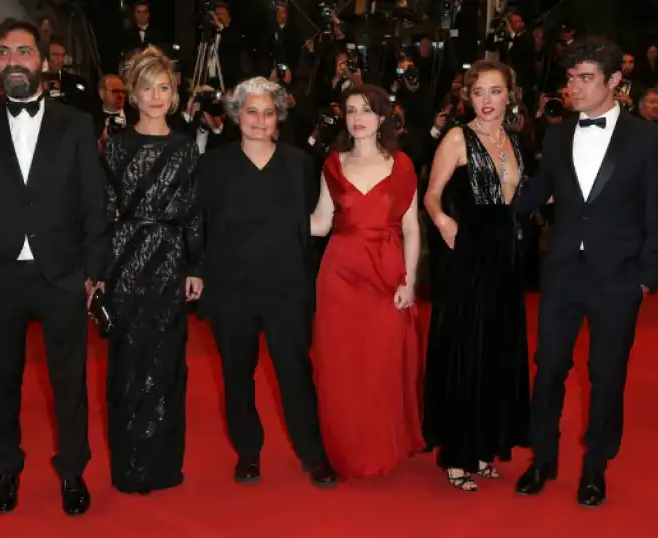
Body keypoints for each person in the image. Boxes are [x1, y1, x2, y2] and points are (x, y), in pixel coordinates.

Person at [0, 18, 109, 515]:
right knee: (0, 382)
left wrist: (93, 269)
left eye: (23, 51)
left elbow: (94, 202)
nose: (13, 60)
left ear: (42, 60)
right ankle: (7, 468)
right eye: (3, 52)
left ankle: (73, 472)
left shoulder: (78, 124)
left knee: (70, 383)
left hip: (62, 273)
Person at [513, 36, 658, 507]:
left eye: (586, 78)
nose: (575, 87)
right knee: (548, 369)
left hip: (618, 276)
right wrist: (483, 200)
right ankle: (542, 458)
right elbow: (533, 195)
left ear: (614, 81)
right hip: (563, 272)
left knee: (606, 374)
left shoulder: (646, 138)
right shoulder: (559, 134)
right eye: (571, 77)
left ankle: (596, 467)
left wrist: (646, 277)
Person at [196, 77, 337, 487]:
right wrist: (196, 271)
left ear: (279, 117)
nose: (260, 120)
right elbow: (198, 225)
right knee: (238, 376)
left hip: (286, 290)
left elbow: (312, 222)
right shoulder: (213, 165)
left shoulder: (298, 163)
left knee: (295, 374)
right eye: (252, 111)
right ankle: (248, 453)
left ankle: (313, 454)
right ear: (237, 115)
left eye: (269, 112)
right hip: (231, 291)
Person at [421, 60, 530, 491]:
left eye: (495, 91)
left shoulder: (514, 140)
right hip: (467, 255)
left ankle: (485, 445)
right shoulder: (455, 138)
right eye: (479, 92)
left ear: (510, 95)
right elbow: (430, 194)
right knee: (465, 349)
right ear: (468, 96)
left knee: (497, 349)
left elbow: (510, 201)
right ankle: (457, 452)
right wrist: (443, 221)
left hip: (505, 255)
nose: (486, 101)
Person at [103, 46, 203, 494]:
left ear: (174, 93)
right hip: (126, 259)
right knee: (128, 362)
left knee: (166, 362)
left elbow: (195, 212)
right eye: (148, 88)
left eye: (164, 87)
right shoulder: (117, 146)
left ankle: (162, 466)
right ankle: (129, 466)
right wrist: (101, 272)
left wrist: (196, 265)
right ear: (134, 95)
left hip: (169, 257)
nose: (157, 96)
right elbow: (105, 210)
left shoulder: (185, 148)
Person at [310, 84, 423, 479]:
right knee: (341, 365)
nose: (357, 118)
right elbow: (321, 223)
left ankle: (380, 446)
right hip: (339, 274)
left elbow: (411, 228)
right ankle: (346, 449)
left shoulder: (403, 165)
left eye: (366, 111)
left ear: (382, 118)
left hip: (387, 271)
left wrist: (409, 282)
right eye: (350, 110)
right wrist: (272, 213)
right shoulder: (333, 164)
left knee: (382, 363)